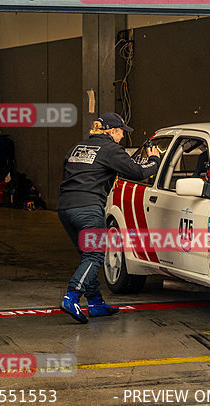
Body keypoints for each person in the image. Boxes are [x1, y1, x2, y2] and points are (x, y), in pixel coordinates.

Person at [57, 112, 161, 323]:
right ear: (112, 131)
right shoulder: (111, 149)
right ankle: (72, 296)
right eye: (122, 131)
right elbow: (139, 172)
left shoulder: (77, 147)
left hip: (65, 208)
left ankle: (95, 303)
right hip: (88, 208)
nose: (123, 136)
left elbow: (67, 172)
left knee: (88, 256)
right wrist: (154, 159)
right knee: (95, 256)